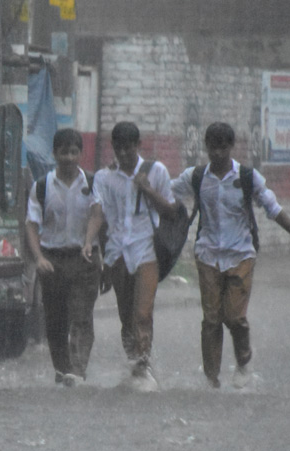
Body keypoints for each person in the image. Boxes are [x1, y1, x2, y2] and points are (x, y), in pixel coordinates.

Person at [171, 122, 290, 389]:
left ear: (231, 147)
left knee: (234, 316)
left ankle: (243, 359)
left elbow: (273, 208)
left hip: (240, 255)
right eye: (212, 148)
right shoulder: (197, 177)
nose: (217, 153)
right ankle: (211, 378)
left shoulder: (247, 177)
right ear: (206, 147)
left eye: (222, 147)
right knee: (211, 318)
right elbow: (167, 193)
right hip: (208, 255)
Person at [84, 122, 178, 390]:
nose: (123, 154)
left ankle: (143, 366)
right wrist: (89, 243)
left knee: (142, 313)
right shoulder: (104, 177)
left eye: (129, 148)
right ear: (113, 148)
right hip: (117, 254)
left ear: (139, 146)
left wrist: (147, 190)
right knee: (126, 317)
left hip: (147, 251)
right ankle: (134, 364)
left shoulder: (156, 171)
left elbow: (170, 211)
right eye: (119, 149)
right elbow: (97, 214)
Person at [25, 128, 103, 387]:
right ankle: (62, 370)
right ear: (54, 153)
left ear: (81, 153)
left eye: (74, 152)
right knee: (56, 321)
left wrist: (89, 242)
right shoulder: (42, 187)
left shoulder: (91, 183)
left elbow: (96, 214)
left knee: (81, 316)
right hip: (52, 261)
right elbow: (32, 225)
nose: (69, 157)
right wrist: (39, 258)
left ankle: (77, 371)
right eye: (64, 152)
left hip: (84, 259)